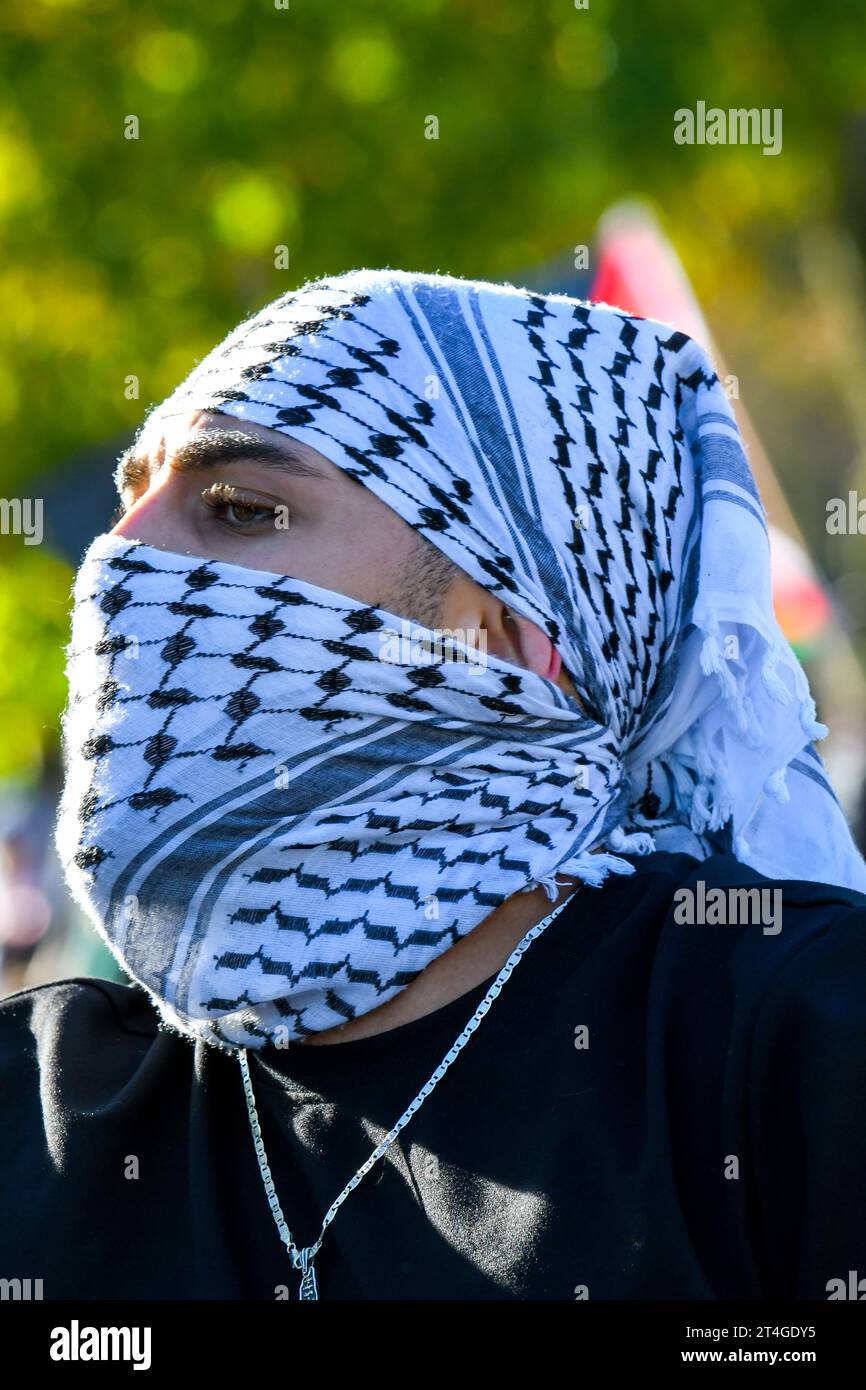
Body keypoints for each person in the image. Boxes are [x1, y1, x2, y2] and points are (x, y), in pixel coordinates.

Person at [2, 267, 866, 1301]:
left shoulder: (791, 1053)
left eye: (238, 508)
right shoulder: (36, 1112)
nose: (116, 564)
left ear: (503, 639)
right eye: (129, 502)